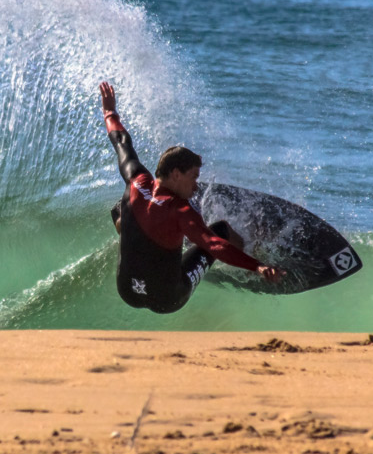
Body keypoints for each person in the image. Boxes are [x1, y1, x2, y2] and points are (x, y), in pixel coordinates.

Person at [100, 81, 283, 314]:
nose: (196, 186)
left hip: (127, 290)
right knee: (221, 231)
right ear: (176, 174)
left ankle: (138, 237)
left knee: (120, 208)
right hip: (168, 298)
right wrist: (257, 267)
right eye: (194, 177)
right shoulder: (181, 211)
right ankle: (255, 251)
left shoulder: (136, 180)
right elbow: (215, 245)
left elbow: (121, 141)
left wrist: (109, 111)